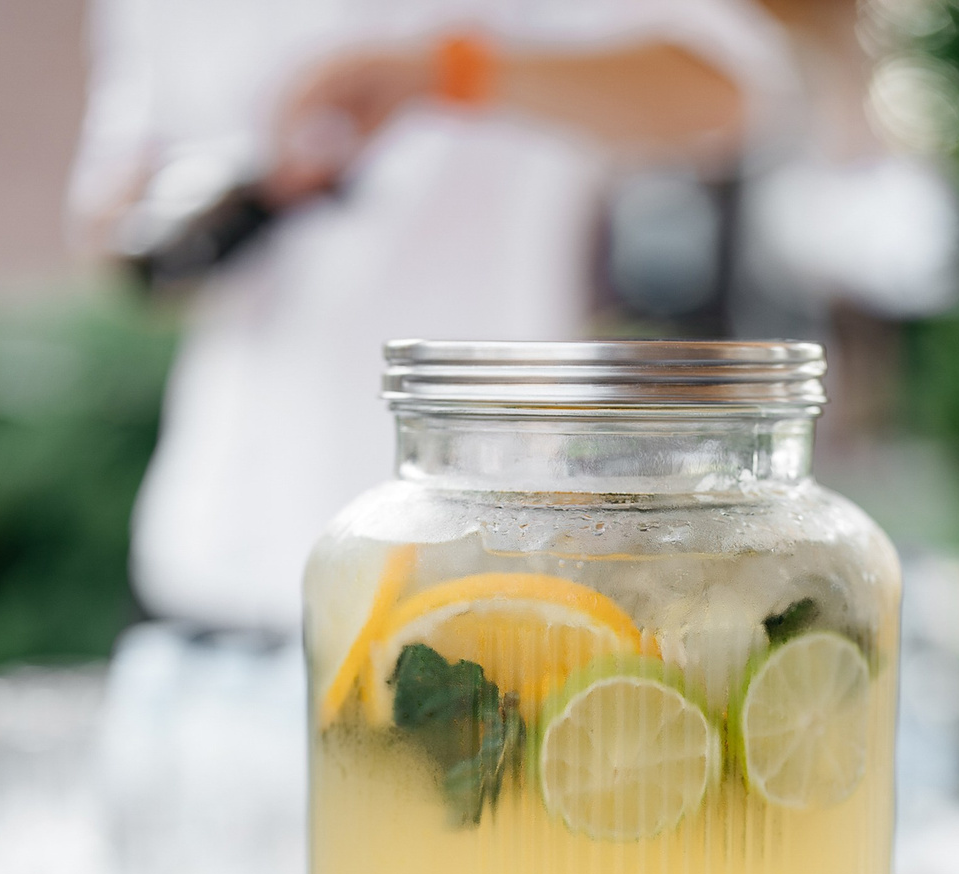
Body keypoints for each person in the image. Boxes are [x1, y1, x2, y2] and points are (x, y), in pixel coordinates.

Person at [71, 0, 792, 638]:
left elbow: (727, 92)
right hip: (221, 548)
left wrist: (444, 71)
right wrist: (226, 205)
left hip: (482, 556)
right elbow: (110, 221)